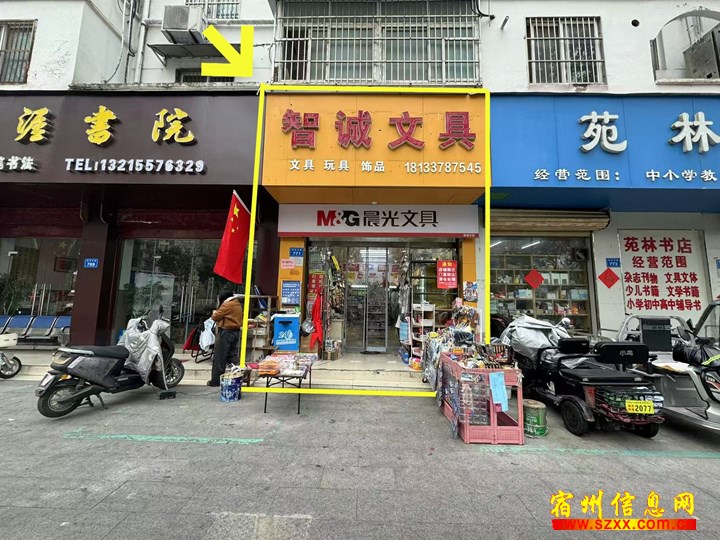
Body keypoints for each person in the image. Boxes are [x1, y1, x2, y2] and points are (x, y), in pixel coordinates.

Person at [207, 290, 246, 387]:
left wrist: (215, 312)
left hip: (226, 332)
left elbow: (215, 317)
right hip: (235, 332)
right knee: (231, 355)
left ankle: (215, 381)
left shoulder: (227, 305)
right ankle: (242, 372)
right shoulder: (237, 303)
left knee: (220, 357)